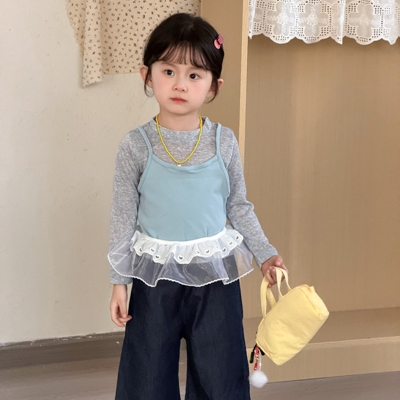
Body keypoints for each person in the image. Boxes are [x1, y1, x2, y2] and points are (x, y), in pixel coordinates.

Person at [108, 12, 287, 400]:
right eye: (168, 71)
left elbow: (239, 206)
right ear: (147, 75)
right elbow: (122, 217)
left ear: (213, 86)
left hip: (214, 275)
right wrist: (119, 281)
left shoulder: (224, 141)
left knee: (220, 373)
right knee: (147, 374)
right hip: (154, 277)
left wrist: (266, 255)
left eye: (194, 75)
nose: (180, 84)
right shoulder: (135, 145)